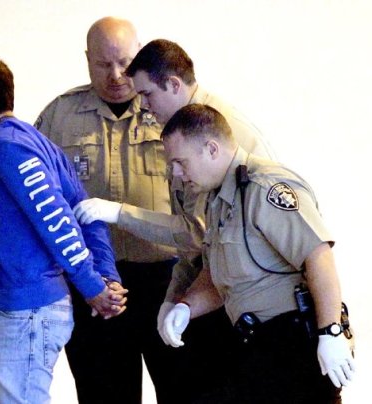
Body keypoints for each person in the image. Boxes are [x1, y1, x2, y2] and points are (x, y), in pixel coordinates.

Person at [73, 39, 275, 401]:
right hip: (210, 286)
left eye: (147, 95)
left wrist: (120, 213)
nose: (144, 107)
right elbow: (194, 239)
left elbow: (196, 233)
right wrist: (174, 297)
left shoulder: (215, 131)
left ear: (173, 85)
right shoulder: (183, 133)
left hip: (247, 301)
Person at [0, 57, 126, 404]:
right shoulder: (31, 142)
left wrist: (94, 285)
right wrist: (106, 273)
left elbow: (56, 218)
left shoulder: (8, 146)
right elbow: (85, 212)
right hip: (10, 307)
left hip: (27, 313)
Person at [34, 18, 189, 404]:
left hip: (168, 279)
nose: (117, 75)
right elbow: (38, 201)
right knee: (104, 394)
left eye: (124, 62)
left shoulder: (168, 108)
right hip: (93, 288)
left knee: (185, 390)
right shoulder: (59, 117)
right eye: (103, 64)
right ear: (87, 60)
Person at [160, 104, 355, 403]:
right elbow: (217, 276)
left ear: (211, 149)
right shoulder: (218, 200)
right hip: (257, 345)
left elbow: (317, 255)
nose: (176, 173)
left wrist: (330, 332)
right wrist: (186, 307)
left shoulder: (265, 187)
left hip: (294, 344)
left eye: (180, 162)